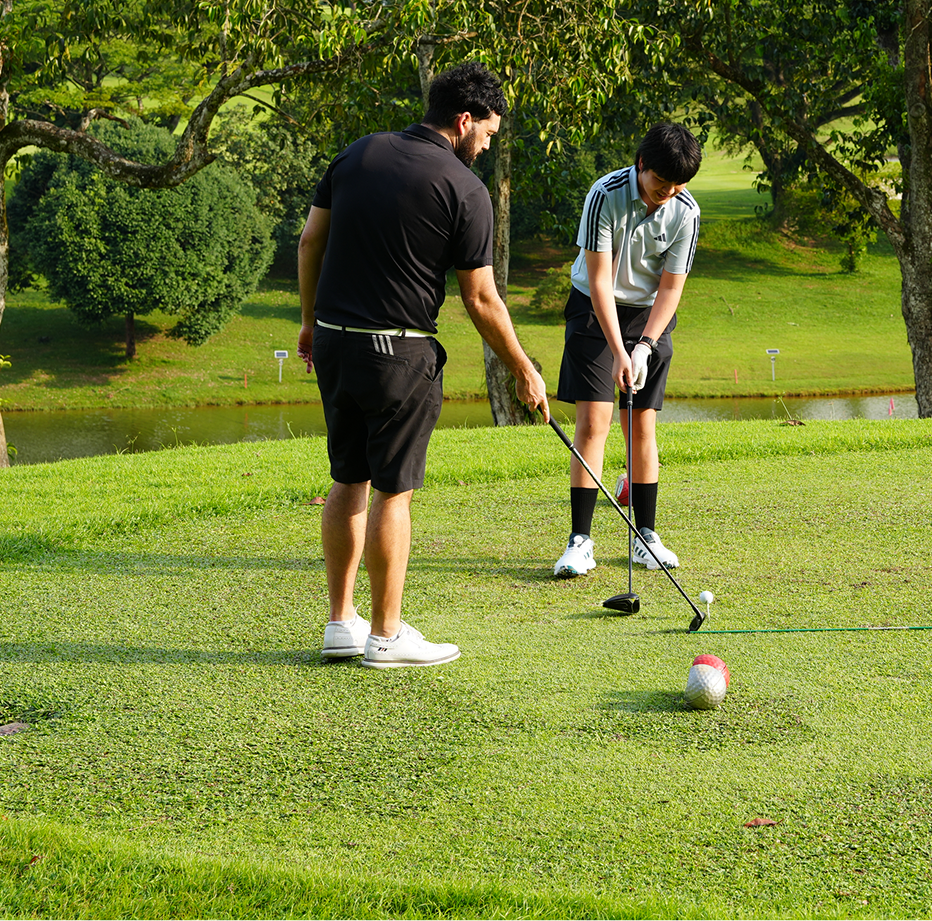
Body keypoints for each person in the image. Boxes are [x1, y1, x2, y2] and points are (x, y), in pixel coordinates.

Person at [297, 63, 548, 669]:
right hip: (398, 355)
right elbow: (481, 298)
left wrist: (308, 322)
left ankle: (341, 624)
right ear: (463, 120)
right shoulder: (466, 190)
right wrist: (522, 367)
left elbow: (310, 242)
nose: (485, 146)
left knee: (348, 479)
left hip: (333, 342)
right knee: (394, 491)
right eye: (486, 133)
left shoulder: (358, 153)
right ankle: (385, 635)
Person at [550, 122, 703, 579]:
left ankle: (646, 537)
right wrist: (620, 350)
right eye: (662, 182)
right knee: (593, 422)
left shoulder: (686, 212)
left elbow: (671, 289)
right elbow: (599, 280)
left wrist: (645, 347)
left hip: (648, 315)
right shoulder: (605, 194)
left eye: (678, 185)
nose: (668, 193)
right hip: (594, 308)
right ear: (641, 165)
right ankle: (580, 542)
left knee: (641, 425)